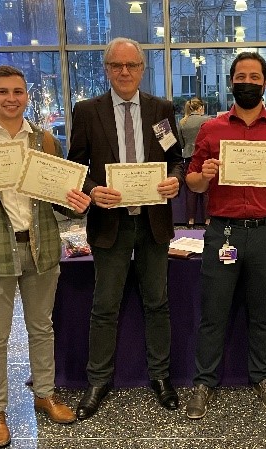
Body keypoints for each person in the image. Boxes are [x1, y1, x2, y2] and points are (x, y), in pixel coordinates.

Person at [0, 65, 91, 448]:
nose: (11, 98)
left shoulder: (44, 142)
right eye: (3, 92)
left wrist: (77, 204)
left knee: (42, 327)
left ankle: (45, 393)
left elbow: (62, 201)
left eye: (18, 92)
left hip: (40, 249)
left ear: (26, 96)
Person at [184, 52, 266, 419]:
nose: (248, 82)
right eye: (241, 76)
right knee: (214, 311)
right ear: (231, 82)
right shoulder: (212, 129)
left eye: (255, 76)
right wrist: (204, 174)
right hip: (224, 231)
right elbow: (192, 182)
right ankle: (204, 381)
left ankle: (263, 378)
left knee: (263, 311)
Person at [68, 37, 184, 418]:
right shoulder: (87, 111)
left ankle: (161, 377)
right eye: (116, 66)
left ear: (141, 69)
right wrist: (91, 190)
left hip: (152, 223)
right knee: (104, 306)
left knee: (158, 303)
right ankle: (98, 381)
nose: (124, 72)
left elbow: (175, 160)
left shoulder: (161, 110)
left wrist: (174, 180)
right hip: (109, 225)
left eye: (131, 65)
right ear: (106, 69)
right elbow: (77, 167)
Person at [178, 97, 211, 227]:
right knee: (206, 189)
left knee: (190, 190)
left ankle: (190, 220)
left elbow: (180, 143)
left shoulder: (182, 122)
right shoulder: (207, 120)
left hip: (188, 157)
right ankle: (207, 220)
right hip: (204, 158)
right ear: (200, 108)